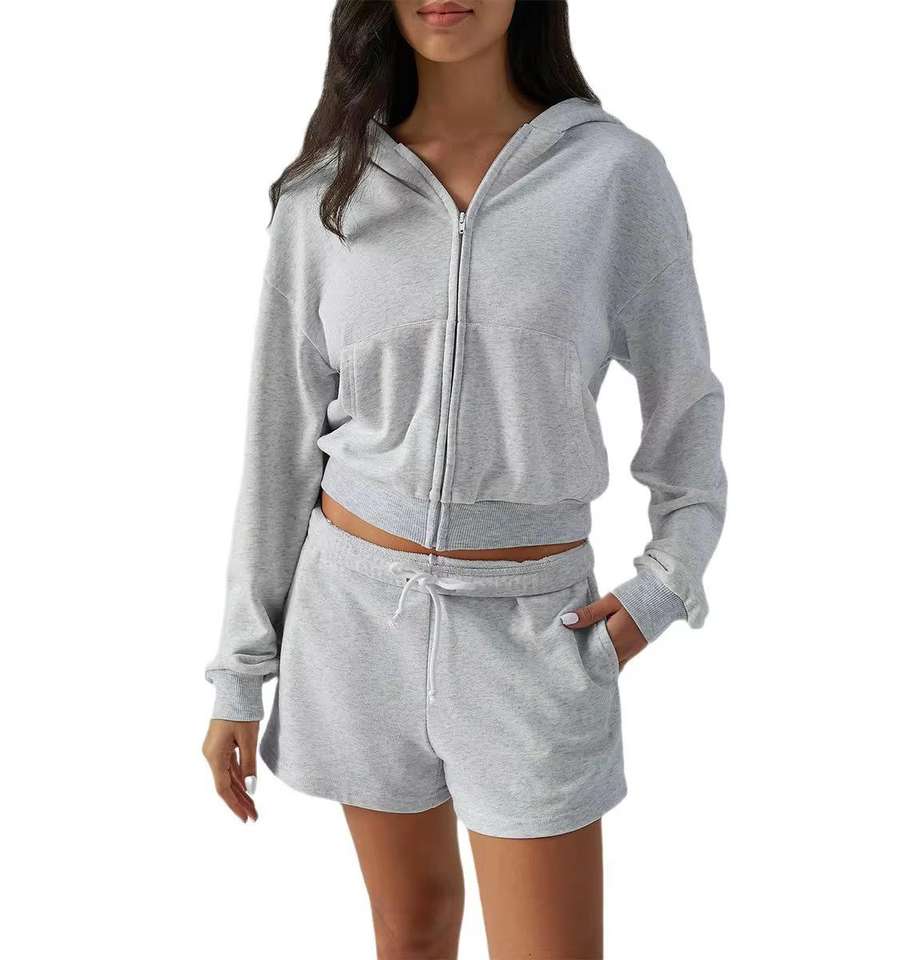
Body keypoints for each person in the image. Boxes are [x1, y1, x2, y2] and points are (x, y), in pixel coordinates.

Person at [201, 1, 727, 956]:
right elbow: (279, 441)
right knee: (410, 932)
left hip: (532, 631)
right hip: (354, 617)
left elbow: (686, 406)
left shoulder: (613, 175)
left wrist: (664, 587)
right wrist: (240, 673)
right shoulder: (328, 190)